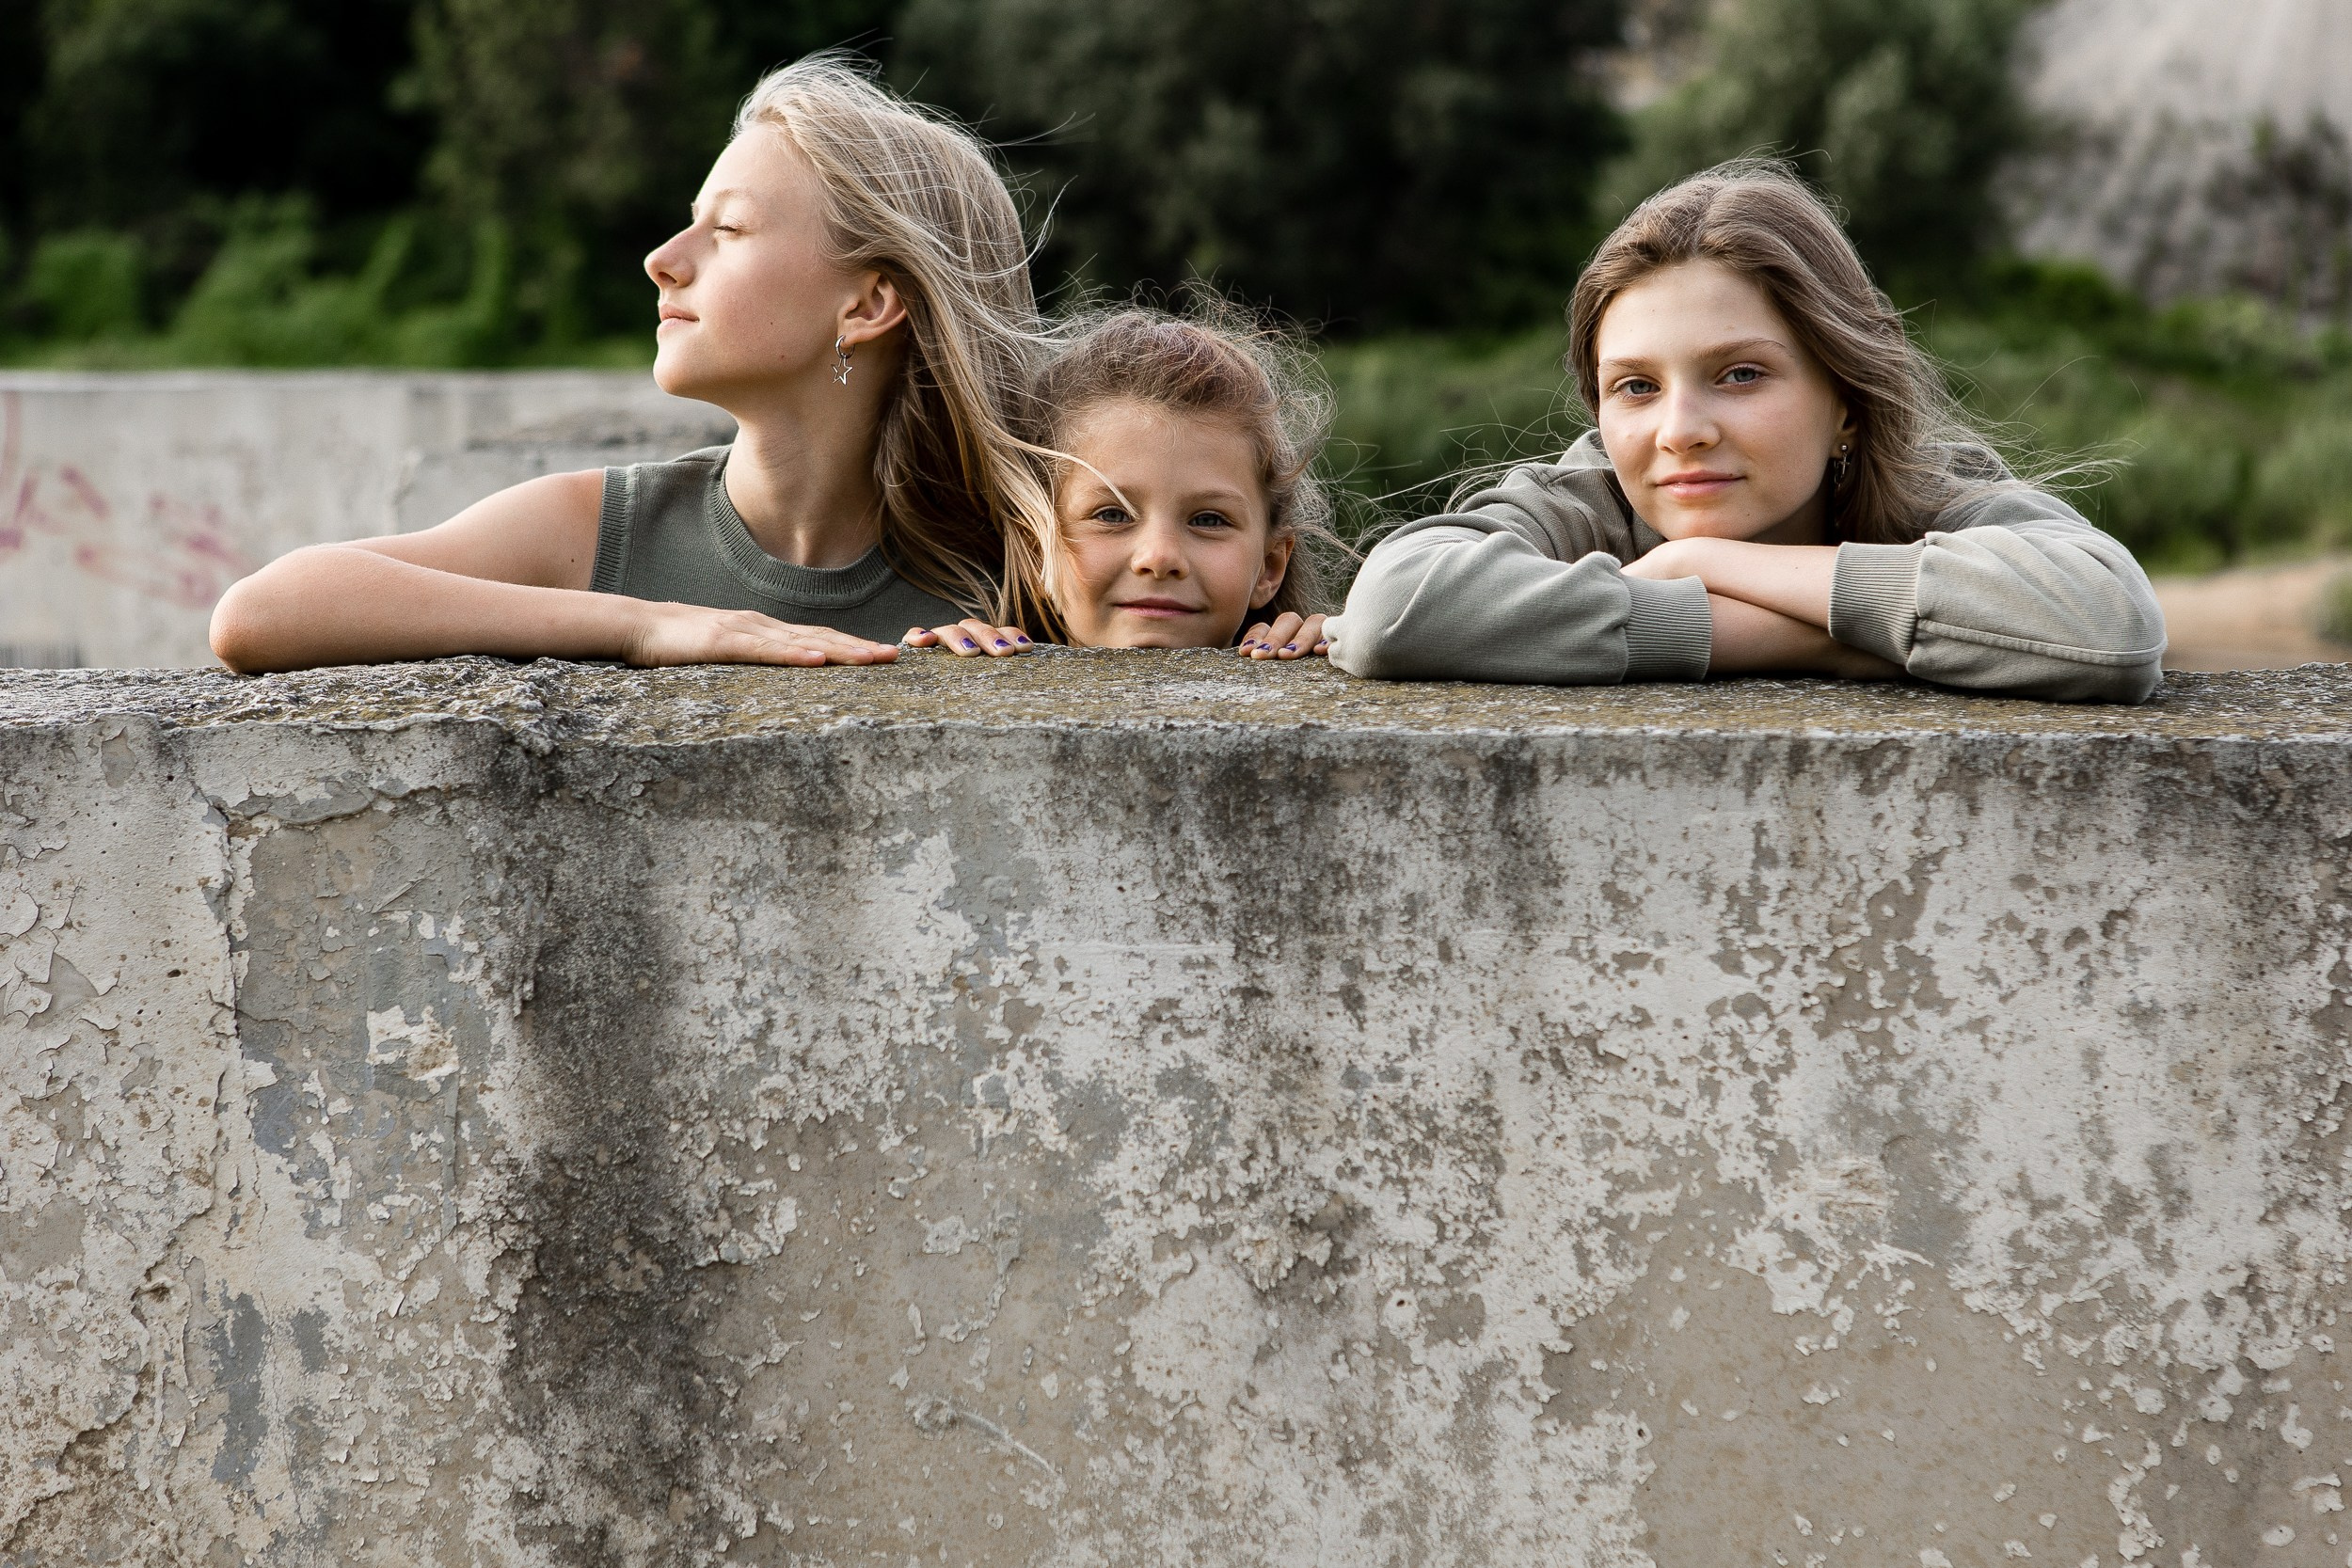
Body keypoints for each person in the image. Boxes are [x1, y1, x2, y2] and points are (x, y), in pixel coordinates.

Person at [208, 57, 1047, 675]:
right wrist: (643, 624)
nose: (661, 260)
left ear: (868, 304)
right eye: (691, 223)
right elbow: (261, 611)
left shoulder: (1028, 563)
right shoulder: (604, 528)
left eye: (728, 230)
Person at [1324, 160, 2167, 702]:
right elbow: (1393, 610)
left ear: (1846, 398)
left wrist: (1698, 563)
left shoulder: (1933, 494)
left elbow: (2114, 625)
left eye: (1740, 375)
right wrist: (1827, 642)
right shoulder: (1584, 500)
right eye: (1636, 387)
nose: (1680, 431)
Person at [912, 309, 1341, 658]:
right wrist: (945, 673)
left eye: (1209, 520)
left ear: (1269, 567)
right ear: (1037, 549)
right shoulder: (984, 673)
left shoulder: (1311, 675)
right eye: (1112, 515)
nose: (1159, 557)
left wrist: (1334, 658)